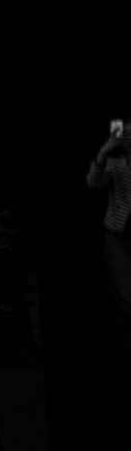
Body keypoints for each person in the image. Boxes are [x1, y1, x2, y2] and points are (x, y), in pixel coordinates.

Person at [87, 119, 131, 318]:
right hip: (119, 238)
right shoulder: (115, 163)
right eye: (126, 135)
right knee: (124, 299)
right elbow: (93, 182)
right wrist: (103, 153)